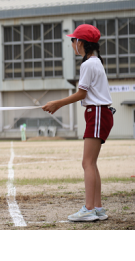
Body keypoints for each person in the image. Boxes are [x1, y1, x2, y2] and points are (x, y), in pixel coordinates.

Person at [43, 24, 113, 222]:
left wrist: (57, 104)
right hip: (98, 113)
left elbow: (82, 93)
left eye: (73, 40)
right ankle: (97, 208)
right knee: (91, 163)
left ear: (80, 42)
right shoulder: (95, 62)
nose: (72, 44)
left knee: (87, 162)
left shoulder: (88, 64)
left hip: (97, 112)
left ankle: (89, 209)